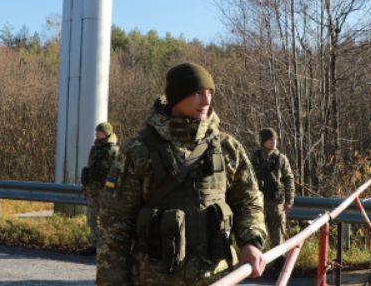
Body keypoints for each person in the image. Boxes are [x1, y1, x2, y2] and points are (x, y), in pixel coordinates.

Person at [96, 62, 267, 285]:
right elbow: (115, 227)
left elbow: (249, 201)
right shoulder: (139, 150)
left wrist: (251, 241)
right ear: (177, 97)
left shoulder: (228, 147)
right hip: (154, 280)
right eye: (197, 93)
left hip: (218, 278)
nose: (206, 101)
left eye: (210, 93)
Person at [251, 128, 295, 250]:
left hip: (277, 205)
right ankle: (260, 267)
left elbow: (289, 180)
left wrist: (289, 200)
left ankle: (279, 267)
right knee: (257, 239)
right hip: (259, 204)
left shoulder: (281, 159)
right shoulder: (255, 158)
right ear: (264, 141)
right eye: (271, 139)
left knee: (278, 240)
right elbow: (247, 180)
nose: (274, 141)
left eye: (275, 139)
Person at [81, 121, 119, 254]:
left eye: (100, 132)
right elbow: (91, 168)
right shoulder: (94, 149)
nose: (97, 134)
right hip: (93, 190)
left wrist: (111, 191)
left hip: (106, 192)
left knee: (105, 220)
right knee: (92, 218)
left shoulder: (114, 151)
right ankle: (94, 245)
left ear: (106, 134)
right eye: (97, 132)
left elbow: (116, 173)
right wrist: (86, 184)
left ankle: (105, 247)